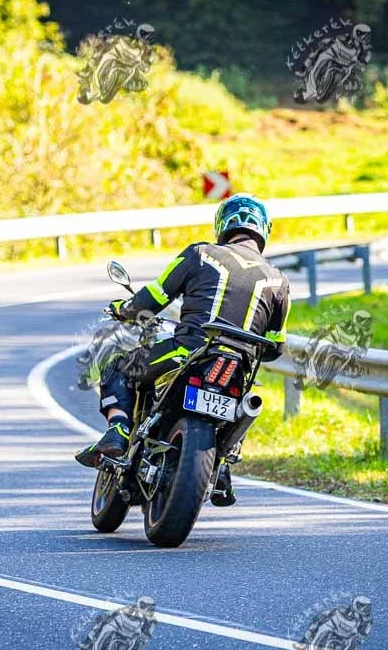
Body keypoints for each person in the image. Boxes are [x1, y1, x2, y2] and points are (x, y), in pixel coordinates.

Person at [75, 193, 290, 504]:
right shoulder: (279, 281)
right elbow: (275, 346)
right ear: (263, 230)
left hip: (187, 352)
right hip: (237, 368)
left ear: (223, 225)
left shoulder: (200, 254)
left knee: (117, 367)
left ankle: (118, 430)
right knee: (242, 401)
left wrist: (123, 309)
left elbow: (154, 297)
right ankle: (221, 465)